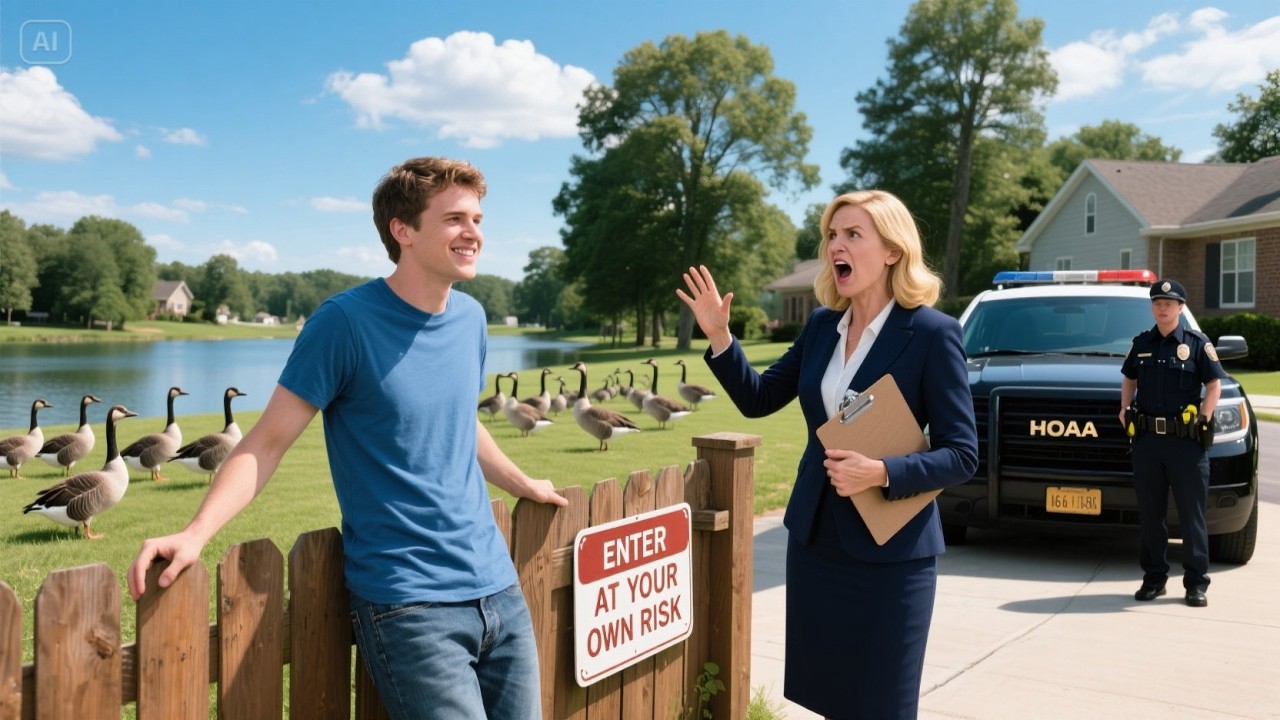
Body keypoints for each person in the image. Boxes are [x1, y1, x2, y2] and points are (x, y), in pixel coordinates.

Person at [127, 157, 568, 719]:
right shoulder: (344, 323)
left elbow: (460, 419)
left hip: (498, 588)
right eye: (455, 218)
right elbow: (267, 442)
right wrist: (196, 532)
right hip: (411, 604)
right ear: (403, 230)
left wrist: (520, 481)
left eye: (477, 219)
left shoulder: (471, 319)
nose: (474, 233)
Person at [677, 190, 977, 720]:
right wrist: (721, 337)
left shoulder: (933, 333)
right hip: (816, 544)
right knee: (831, 699)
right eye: (832, 235)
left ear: (892, 250)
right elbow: (759, 398)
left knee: (883, 706)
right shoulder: (821, 326)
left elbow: (962, 454)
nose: (836, 245)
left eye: (853, 234)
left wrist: (880, 472)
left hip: (892, 557)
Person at [1120, 278, 1224, 608]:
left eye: (1168, 303)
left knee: (1192, 516)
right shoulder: (1141, 343)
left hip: (1186, 444)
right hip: (1148, 442)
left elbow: (1214, 384)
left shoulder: (1196, 343)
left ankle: (1196, 584)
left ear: (1180, 307)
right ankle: (1154, 579)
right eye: (1157, 303)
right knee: (1152, 515)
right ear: (1153, 308)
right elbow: (1129, 378)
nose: (1162, 308)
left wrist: (1205, 416)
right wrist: (1124, 408)